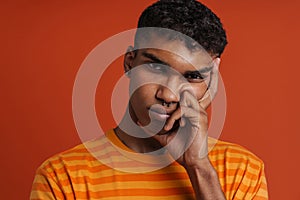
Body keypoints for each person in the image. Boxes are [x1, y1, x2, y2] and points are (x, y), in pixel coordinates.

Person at [30, 0, 268, 199]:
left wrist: (199, 168)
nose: (168, 95)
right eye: (156, 67)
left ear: (211, 80)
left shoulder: (242, 169)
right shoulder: (62, 177)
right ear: (129, 62)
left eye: (193, 76)